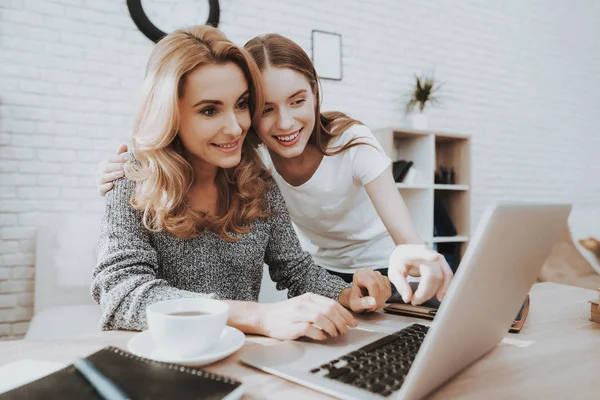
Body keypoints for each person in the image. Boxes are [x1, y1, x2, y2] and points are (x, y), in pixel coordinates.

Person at [97, 33, 453, 307]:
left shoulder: (257, 177)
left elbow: (295, 268)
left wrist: (348, 293)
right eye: (209, 110)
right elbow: (119, 290)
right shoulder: (137, 180)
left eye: (240, 106)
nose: (235, 127)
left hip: (366, 274)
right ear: (169, 111)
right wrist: (258, 315)